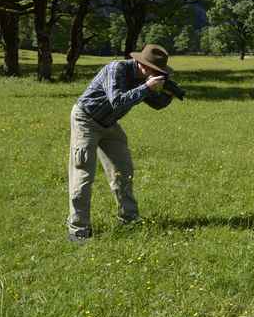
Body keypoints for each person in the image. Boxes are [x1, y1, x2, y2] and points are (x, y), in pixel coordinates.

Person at [67, 44, 175, 243]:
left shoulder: (143, 77)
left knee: (124, 170)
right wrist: (146, 87)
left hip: (110, 124)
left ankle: (129, 219)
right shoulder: (116, 69)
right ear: (141, 63)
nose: (155, 73)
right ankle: (78, 229)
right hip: (86, 120)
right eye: (154, 69)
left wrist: (167, 91)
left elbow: (157, 104)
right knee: (83, 174)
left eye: (159, 71)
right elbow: (117, 101)